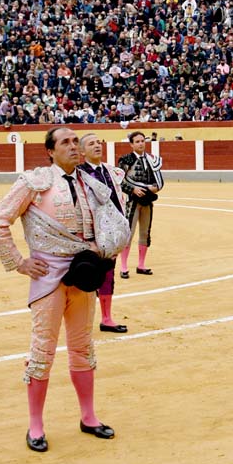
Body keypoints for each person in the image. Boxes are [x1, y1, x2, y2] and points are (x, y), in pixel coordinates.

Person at [0, 127, 123, 453]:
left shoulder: (91, 183)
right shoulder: (34, 183)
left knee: (82, 347)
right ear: (50, 151)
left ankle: (88, 417)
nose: (74, 147)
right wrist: (18, 262)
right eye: (66, 142)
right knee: (42, 351)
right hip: (48, 277)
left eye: (76, 141)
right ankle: (36, 425)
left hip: (84, 275)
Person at [78, 133, 127, 333]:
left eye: (99, 142)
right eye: (91, 144)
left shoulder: (111, 171)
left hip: (110, 232)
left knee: (108, 274)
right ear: (82, 152)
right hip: (88, 232)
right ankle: (81, 321)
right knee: (84, 274)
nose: (97, 145)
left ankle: (106, 318)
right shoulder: (78, 173)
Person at [116, 131, 164, 278]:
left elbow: (157, 180)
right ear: (131, 144)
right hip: (132, 201)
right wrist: (133, 189)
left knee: (145, 233)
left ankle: (141, 265)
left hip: (147, 201)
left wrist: (155, 188)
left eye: (142, 141)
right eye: (137, 141)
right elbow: (119, 181)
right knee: (128, 233)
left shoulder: (151, 160)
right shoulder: (126, 160)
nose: (141, 144)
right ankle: (123, 267)